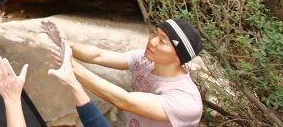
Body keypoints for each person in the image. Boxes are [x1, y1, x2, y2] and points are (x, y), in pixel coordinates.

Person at [43, 19, 204, 127]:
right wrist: (65, 43)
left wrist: (72, 67)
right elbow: (99, 55)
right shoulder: (146, 60)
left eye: (162, 41)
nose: (152, 41)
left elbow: (125, 101)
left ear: (178, 56)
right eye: (155, 33)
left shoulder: (186, 100)